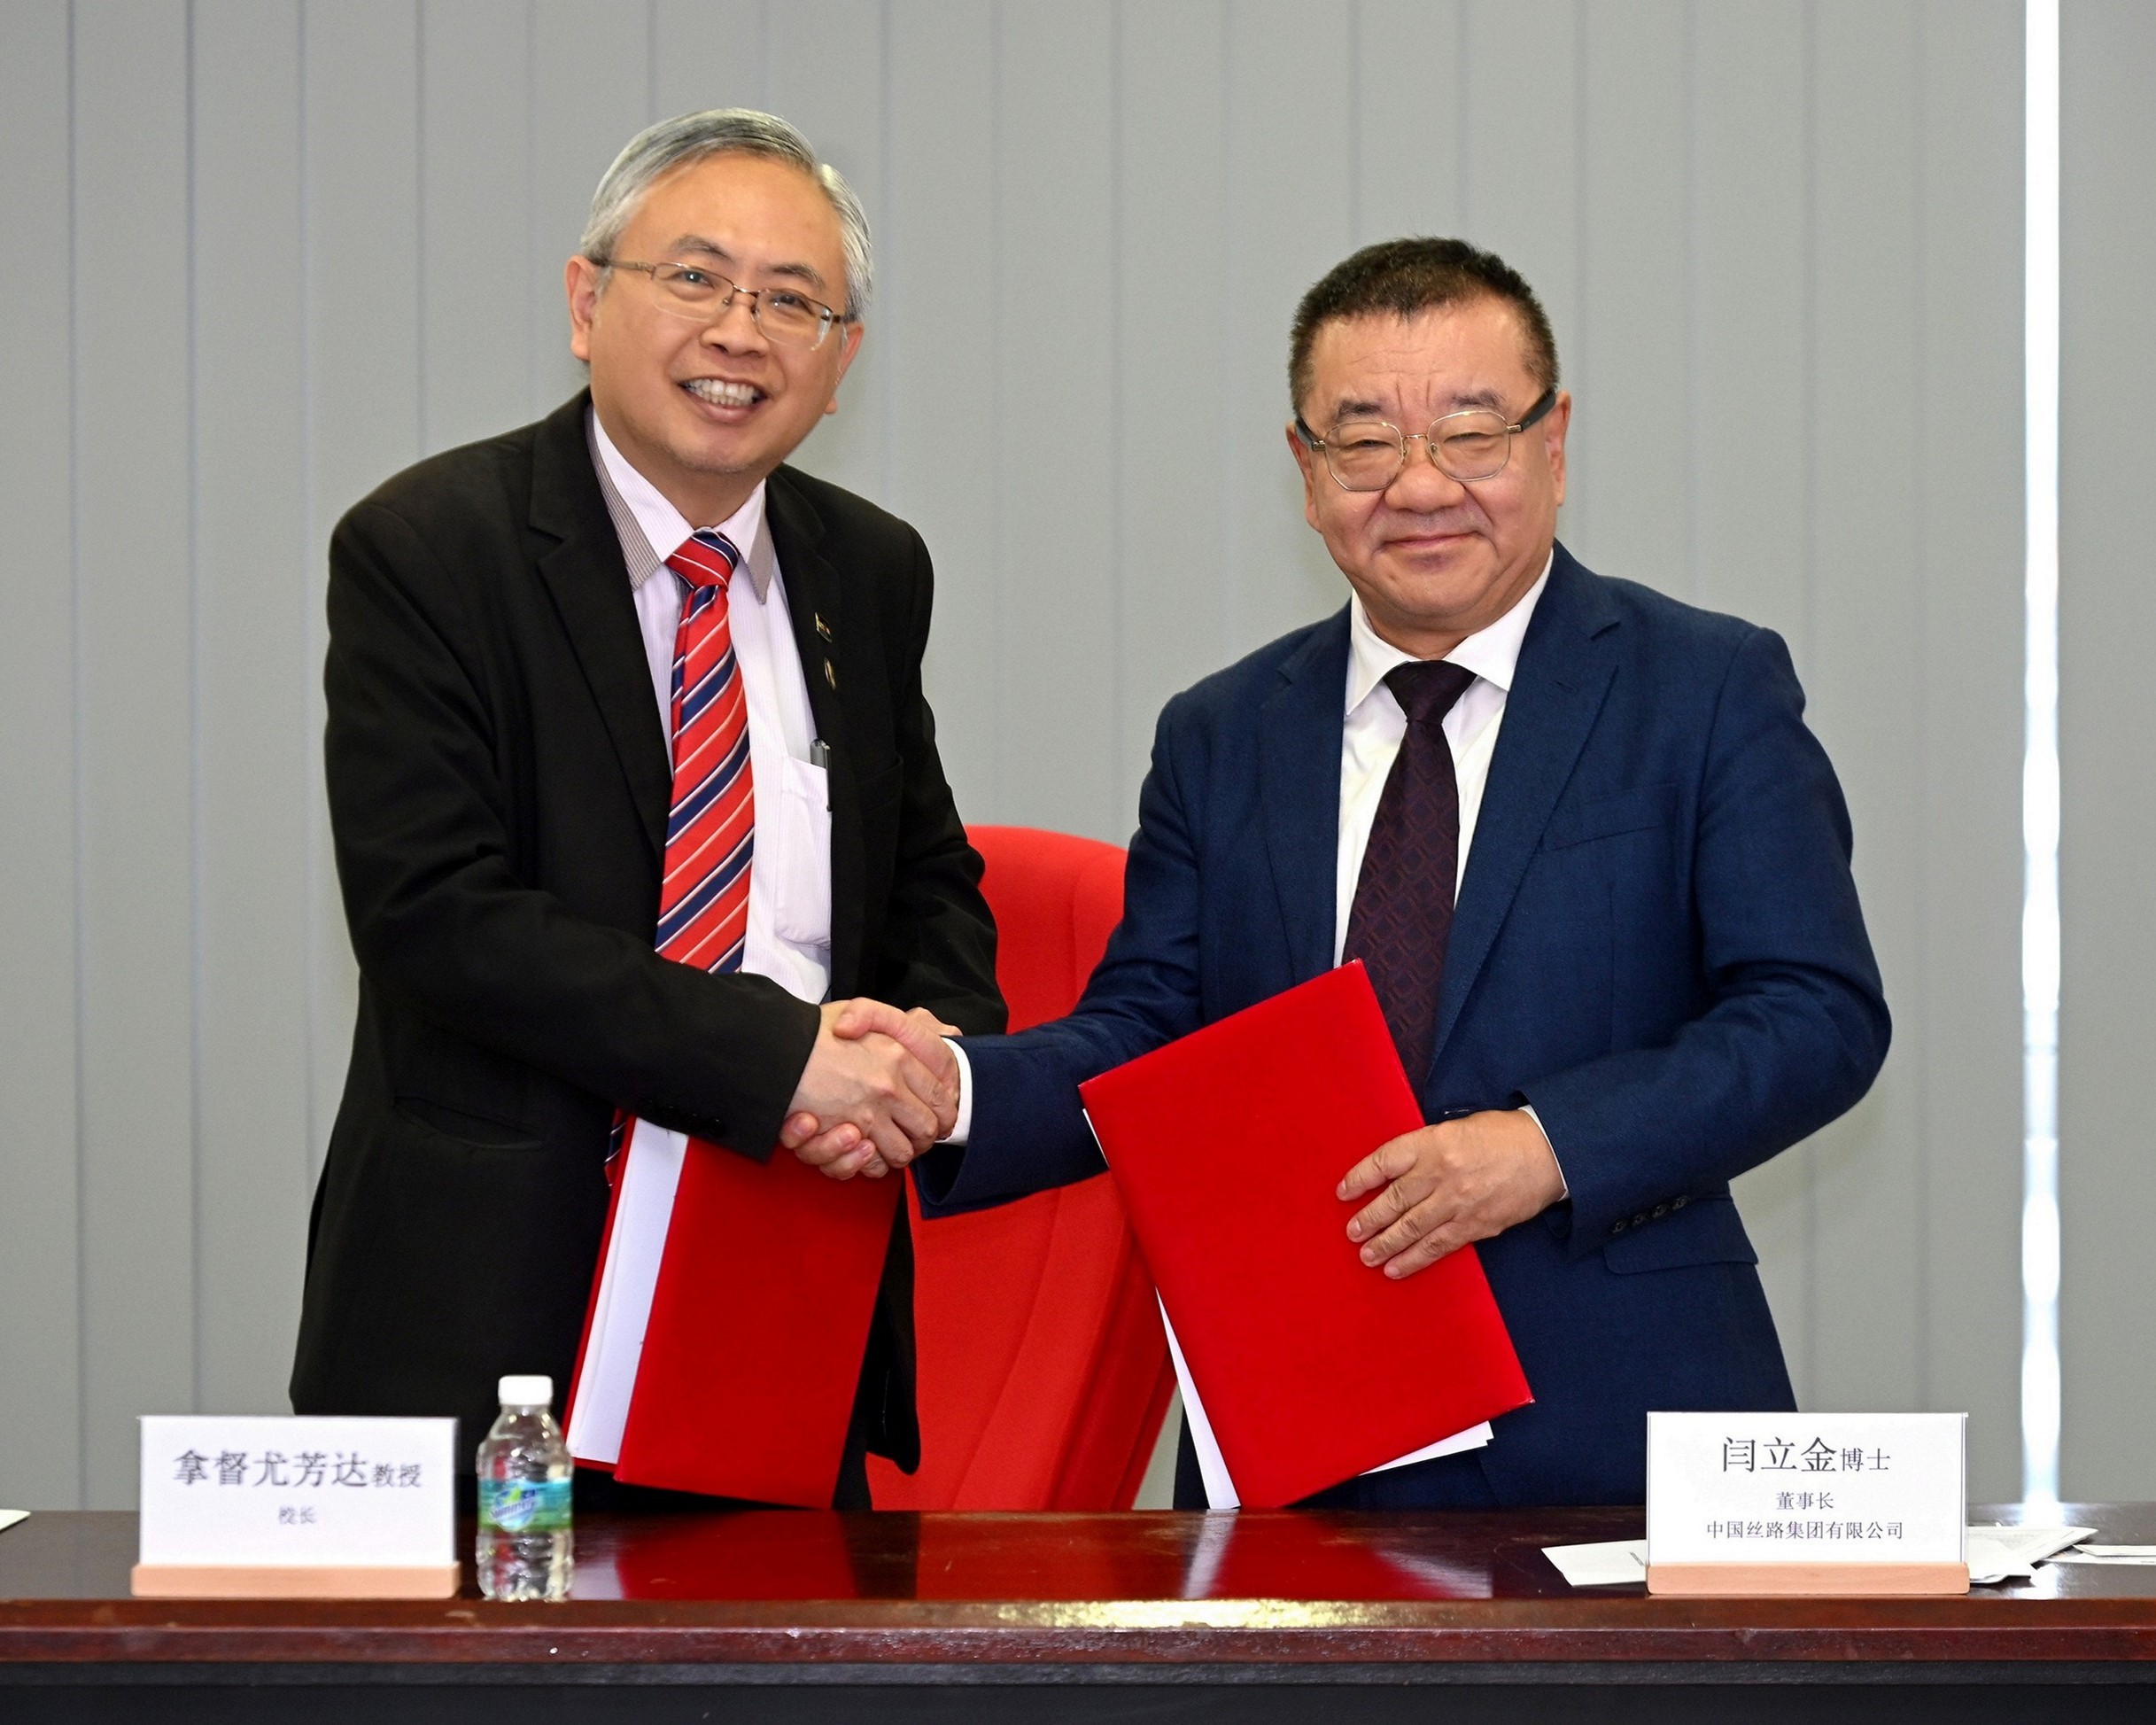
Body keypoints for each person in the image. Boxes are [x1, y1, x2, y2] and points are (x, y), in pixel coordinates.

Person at [794, 237, 1890, 1509]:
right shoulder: (1224, 732)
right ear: (1305, 474)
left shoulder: (1700, 689)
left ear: (1554, 442)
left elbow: (1812, 1016)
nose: (1419, 485)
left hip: (1617, 1420)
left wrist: (1544, 1147)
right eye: (1363, 440)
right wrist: (950, 1088)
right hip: (1300, 1432)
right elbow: (1148, 1037)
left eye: (1471, 430)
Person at [289, 109, 1003, 1509]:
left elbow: (926, 879)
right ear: (584, 301)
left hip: (783, 1276)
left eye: (792, 301)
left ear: (841, 360)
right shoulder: (431, 547)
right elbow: (436, 914)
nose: (741, 331)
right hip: (492, 1315)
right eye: (695, 278)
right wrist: (779, 1060)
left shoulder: (868, 568)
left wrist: (918, 1060)